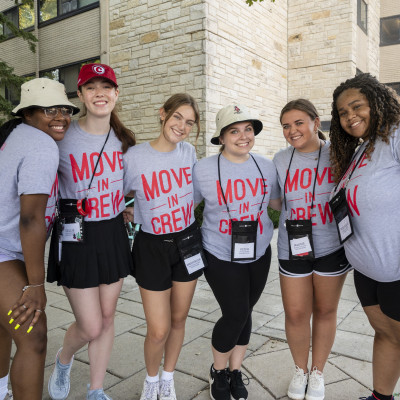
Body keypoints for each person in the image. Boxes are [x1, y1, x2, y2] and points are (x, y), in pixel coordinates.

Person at [47, 63, 135, 400]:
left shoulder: (125, 141)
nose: (100, 93)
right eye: (91, 87)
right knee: (90, 324)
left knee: (108, 315)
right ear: (81, 95)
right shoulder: (62, 137)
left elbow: (132, 185)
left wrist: (129, 207)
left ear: (116, 93)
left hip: (111, 232)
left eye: (106, 87)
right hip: (75, 234)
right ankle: (64, 358)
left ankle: (96, 389)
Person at [192, 104, 280, 400]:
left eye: (248, 129)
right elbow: (184, 208)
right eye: (234, 130)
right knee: (235, 313)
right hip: (219, 253)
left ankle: (235, 369)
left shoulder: (266, 166)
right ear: (221, 137)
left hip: (259, 252)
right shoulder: (202, 169)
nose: (243, 136)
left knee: (246, 312)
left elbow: (279, 203)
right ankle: (218, 371)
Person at [0, 78, 79, 400]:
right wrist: (36, 285)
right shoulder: (41, 145)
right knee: (34, 338)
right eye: (50, 110)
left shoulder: (18, 135)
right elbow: (31, 219)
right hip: (4, 251)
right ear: (29, 114)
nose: (60, 116)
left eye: (65, 109)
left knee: (5, 327)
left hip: (7, 248)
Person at [123, 93, 203, 400]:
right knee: (158, 328)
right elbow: (119, 194)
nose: (182, 127)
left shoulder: (189, 153)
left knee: (179, 319)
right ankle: (152, 380)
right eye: (178, 118)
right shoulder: (134, 157)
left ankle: (168, 377)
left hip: (187, 243)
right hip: (151, 246)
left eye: (190, 122)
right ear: (163, 114)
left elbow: (194, 196)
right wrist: (130, 210)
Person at [273, 99, 351, 400]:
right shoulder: (280, 160)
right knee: (295, 313)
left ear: (316, 122)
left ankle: (317, 372)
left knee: (325, 310)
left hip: (331, 245)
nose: (292, 130)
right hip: (292, 247)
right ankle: (300, 370)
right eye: (286, 126)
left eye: (298, 123)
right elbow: (276, 202)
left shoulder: (339, 154)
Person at [330, 73, 400, 400]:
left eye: (356, 106)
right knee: (384, 334)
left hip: (395, 271)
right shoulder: (362, 149)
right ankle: (380, 397)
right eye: (342, 112)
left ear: (376, 103)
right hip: (365, 268)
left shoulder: (396, 137)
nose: (349, 116)